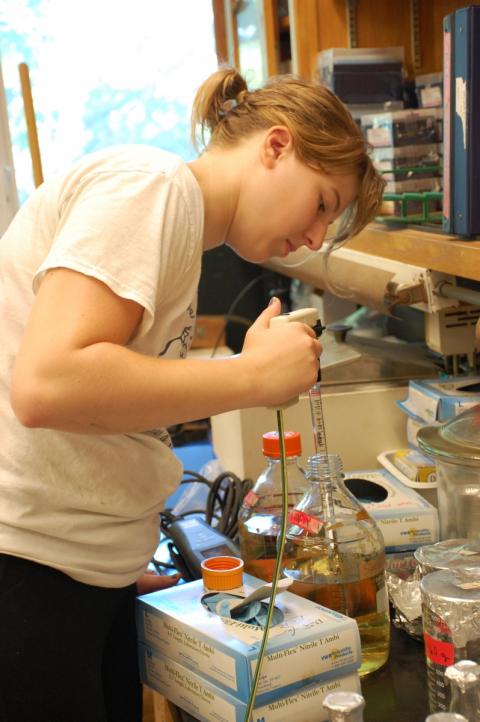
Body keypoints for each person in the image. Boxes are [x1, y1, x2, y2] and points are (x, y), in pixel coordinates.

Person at [0, 66, 384, 722]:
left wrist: (117, 563)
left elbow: (108, 398)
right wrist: (251, 378)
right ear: (275, 146)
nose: (316, 238)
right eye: (322, 203)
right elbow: (47, 384)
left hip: (79, 573)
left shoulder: (179, 232)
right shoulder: (153, 187)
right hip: (30, 574)